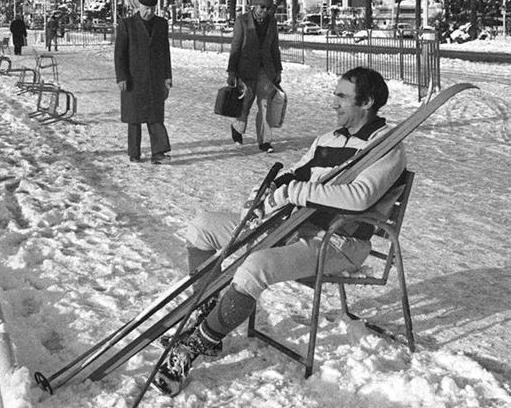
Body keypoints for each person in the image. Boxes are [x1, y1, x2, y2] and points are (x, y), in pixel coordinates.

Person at [153, 67, 407, 396]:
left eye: (342, 96)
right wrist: (264, 195)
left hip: (339, 241)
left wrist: (297, 192)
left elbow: (359, 198)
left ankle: (196, 344)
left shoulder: (386, 147)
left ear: (368, 102)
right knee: (203, 226)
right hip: (294, 226)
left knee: (255, 265)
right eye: (335, 95)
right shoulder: (328, 139)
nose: (334, 103)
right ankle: (209, 314)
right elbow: (294, 173)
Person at [114, 0, 172, 164]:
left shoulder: (161, 24)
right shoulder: (127, 24)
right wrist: (121, 77)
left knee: (156, 116)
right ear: (139, 6)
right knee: (134, 117)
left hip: (155, 78)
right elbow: (119, 54)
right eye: (146, 8)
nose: (150, 12)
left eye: (153, 9)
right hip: (133, 79)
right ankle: (134, 153)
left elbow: (165, 52)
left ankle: (159, 152)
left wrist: (167, 77)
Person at [226, 0, 283, 152]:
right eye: (262, 7)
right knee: (245, 103)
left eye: (268, 8)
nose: (265, 11)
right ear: (254, 6)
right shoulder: (242, 21)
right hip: (245, 69)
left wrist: (278, 70)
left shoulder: (272, 23)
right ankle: (237, 128)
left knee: (265, 104)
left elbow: (274, 47)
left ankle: (264, 141)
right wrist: (231, 72)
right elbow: (235, 47)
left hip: (265, 69)